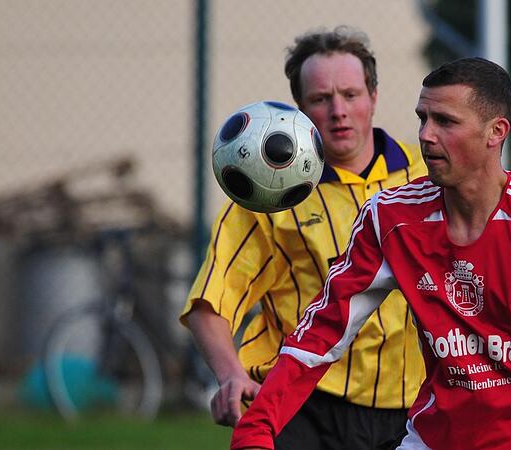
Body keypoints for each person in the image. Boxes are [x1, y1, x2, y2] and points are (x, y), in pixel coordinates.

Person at [230, 57, 511, 450]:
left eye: (445, 121)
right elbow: (322, 332)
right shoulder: (390, 219)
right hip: (436, 438)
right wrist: (257, 429)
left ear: (497, 132)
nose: (425, 135)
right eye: (422, 118)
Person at [181, 26, 427, 449]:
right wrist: (230, 374)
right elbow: (211, 302)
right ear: (298, 108)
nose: (338, 111)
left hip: (415, 407)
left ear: (373, 96)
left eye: (350, 95)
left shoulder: (427, 174)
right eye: (320, 98)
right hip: (303, 404)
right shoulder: (268, 193)